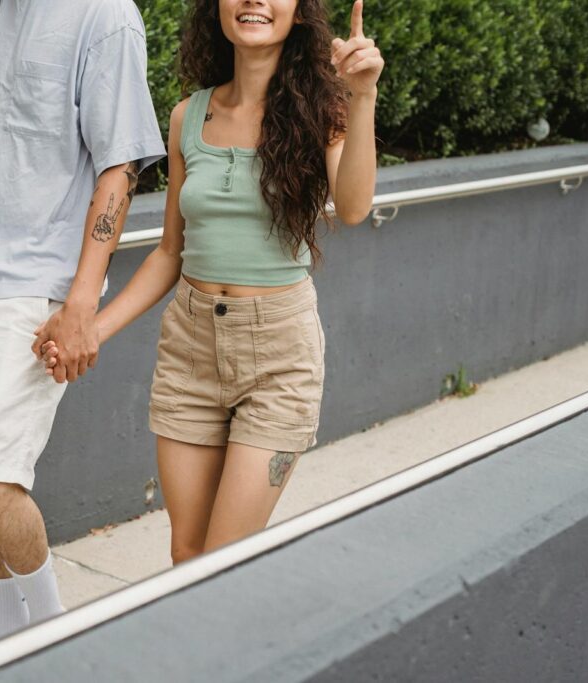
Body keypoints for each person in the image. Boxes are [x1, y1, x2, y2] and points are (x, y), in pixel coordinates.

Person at [38, 0, 383, 564]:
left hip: (279, 356)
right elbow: (170, 252)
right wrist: (92, 329)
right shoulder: (188, 116)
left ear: (299, 13)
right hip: (190, 350)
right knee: (188, 555)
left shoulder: (324, 113)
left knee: (224, 560)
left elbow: (352, 207)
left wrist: (362, 96)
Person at [0, 0, 165, 637]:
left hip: (29, 292)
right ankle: (10, 644)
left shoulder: (105, 15)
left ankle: (56, 639)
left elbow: (120, 167)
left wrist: (82, 301)